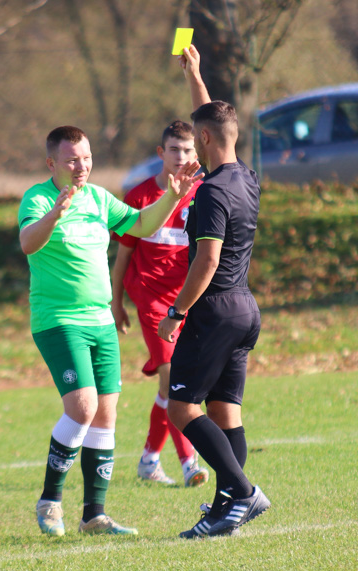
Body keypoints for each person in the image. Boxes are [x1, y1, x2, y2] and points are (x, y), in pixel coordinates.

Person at [19, 125, 201, 537]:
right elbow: (28, 243)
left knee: (105, 416)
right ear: (52, 164)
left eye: (85, 157)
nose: (80, 166)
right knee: (82, 408)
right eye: (70, 159)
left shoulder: (100, 198)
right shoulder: (37, 198)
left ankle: (94, 516)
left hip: (100, 322)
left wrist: (172, 196)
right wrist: (55, 213)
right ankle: (50, 502)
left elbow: (140, 225)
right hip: (60, 321)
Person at [157, 45, 271, 539]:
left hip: (214, 311)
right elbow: (213, 121)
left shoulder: (210, 193)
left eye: (195, 138)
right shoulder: (244, 178)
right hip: (246, 309)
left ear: (202, 140)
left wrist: (177, 313)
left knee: (181, 408)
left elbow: (206, 261)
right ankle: (228, 510)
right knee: (226, 413)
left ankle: (243, 493)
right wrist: (195, 76)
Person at [110, 120, 209, 488]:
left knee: (171, 389)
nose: (180, 157)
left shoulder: (203, 194)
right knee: (174, 380)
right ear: (160, 153)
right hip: (151, 302)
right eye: (173, 150)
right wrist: (116, 301)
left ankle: (150, 459)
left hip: (186, 301)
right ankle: (189, 463)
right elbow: (122, 257)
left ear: (195, 154)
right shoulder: (139, 197)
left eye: (186, 150)